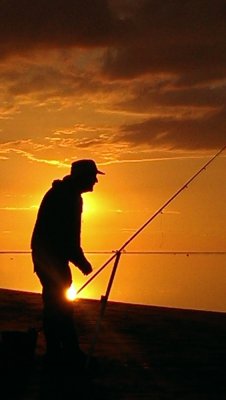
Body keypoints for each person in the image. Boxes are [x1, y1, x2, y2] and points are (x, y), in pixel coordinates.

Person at [31, 159, 104, 371]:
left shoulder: (61, 193)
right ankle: (68, 355)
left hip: (46, 257)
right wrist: (83, 263)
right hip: (51, 259)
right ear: (82, 177)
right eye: (93, 176)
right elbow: (69, 237)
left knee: (54, 306)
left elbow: (66, 238)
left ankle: (56, 353)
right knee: (61, 308)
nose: (96, 181)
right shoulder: (69, 198)